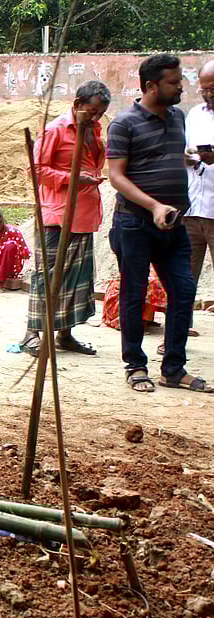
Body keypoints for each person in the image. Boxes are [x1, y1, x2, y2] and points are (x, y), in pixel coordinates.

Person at [108, 54, 210, 393]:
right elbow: (116, 176)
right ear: (151, 85)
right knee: (134, 293)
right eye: (174, 81)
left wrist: (194, 158)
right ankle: (135, 365)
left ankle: (173, 369)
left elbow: (166, 157)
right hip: (135, 223)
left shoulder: (178, 117)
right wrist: (153, 206)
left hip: (176, 223)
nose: (181, 86)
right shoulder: (124, 123)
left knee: (183, 291)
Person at [20, 81, 110, 358]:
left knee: (76, 277)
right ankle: (31, 334)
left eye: (100, 113)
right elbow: (34, 170)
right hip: (57, 214)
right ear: (77, 105)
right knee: (47, 276)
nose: (95, 118)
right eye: (91, 111)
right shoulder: (55, 129)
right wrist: (71, 179)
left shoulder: (94, 132)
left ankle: (66, 334)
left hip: (84, 214)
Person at [184, 60, 214, 284]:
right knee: (184, 279)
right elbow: (184, 148)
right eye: (205, 89)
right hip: (192, 211)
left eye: (213, 89)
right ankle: (183, 320)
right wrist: (187, 157)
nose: (209, 94)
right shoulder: (194, 114)